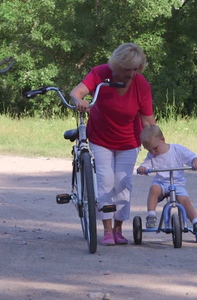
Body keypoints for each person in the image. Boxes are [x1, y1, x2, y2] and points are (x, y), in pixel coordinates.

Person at [70, 43, 156, 246]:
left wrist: (158, 146)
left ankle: (119, 229)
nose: (132, 74)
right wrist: (79, 102)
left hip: (129, 140)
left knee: (123, 183)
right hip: (101, 138)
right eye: (128, 69)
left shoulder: (141, 84)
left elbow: (147, 121)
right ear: (117, 65)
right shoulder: (100, 73)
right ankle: (107, 231)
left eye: (136, 69)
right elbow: (77, 92)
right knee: (106, 181)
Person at [137, 125, 197, 233]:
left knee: (185, 201)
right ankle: (151, 216)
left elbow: (191, 157)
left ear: (163, 139)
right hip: (161, 183)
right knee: (154, 189)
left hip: (177, 184)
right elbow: (146, 164)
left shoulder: (177, 150)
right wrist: (143, 168)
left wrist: (195, 162)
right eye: (149, 150)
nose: (153, 152)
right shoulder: (151, 155)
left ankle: (196, 222)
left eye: (155, 148)